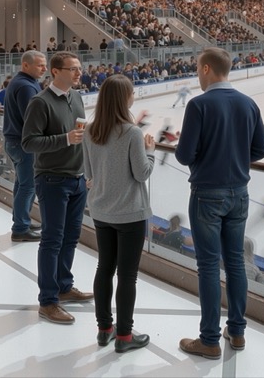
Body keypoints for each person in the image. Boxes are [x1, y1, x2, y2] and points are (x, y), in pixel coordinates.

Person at [176, 47, 264, 360]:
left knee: (208, 267)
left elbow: (184, 155)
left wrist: (208, 158)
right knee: (236, 263)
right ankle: (237, 332)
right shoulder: (248, 103)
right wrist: (235, 158)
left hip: (207, 194)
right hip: (239, 193)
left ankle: (209, 339)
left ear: (205, 69)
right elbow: (260, 150)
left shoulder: (199, 105)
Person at [82, 74, 156, 352]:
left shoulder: (90, 131)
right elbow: (142, 173)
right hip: (130, 214)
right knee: (127, 275)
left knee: (104, 268)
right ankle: (125, 335)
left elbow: (88, 174)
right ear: (125, 98)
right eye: (132, 92)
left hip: (101, 211)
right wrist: (150, 151)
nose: (134, 96)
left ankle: (104, 329)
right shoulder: (132, 133)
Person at [21, 51, 92, 325]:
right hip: (52, 179)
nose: (78, 73)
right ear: (55, 71)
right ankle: (47, 301)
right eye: (73, 69)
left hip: (77, 178)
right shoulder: (40, 103)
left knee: (71, 237)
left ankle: (63, 285)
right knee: (52, 240)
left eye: (79, 68)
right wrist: (64, 139)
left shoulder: (76, 97)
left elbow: (79, 137)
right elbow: (29, 142)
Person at [3, 50, 47, 242]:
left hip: (15, 142)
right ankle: (20, 228)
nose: (44, 68)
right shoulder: (26, 87)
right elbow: (31, 119)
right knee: (28, 186)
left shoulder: (24, 83)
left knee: (21, 184)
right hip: (23, 144)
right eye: (40, 65)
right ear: (26, 65)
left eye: (45, 65)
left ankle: (22, 220)